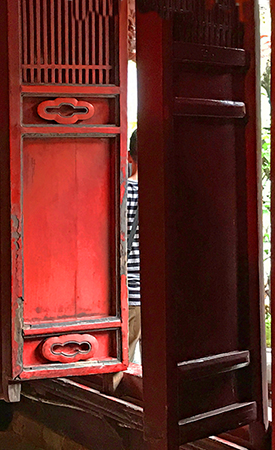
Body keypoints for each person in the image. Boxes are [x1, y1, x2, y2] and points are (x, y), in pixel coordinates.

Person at [127, 129, 141, 363]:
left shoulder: (120, 192)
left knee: (122, 362)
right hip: (159, 294)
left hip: (126, 293)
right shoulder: (167, 194)